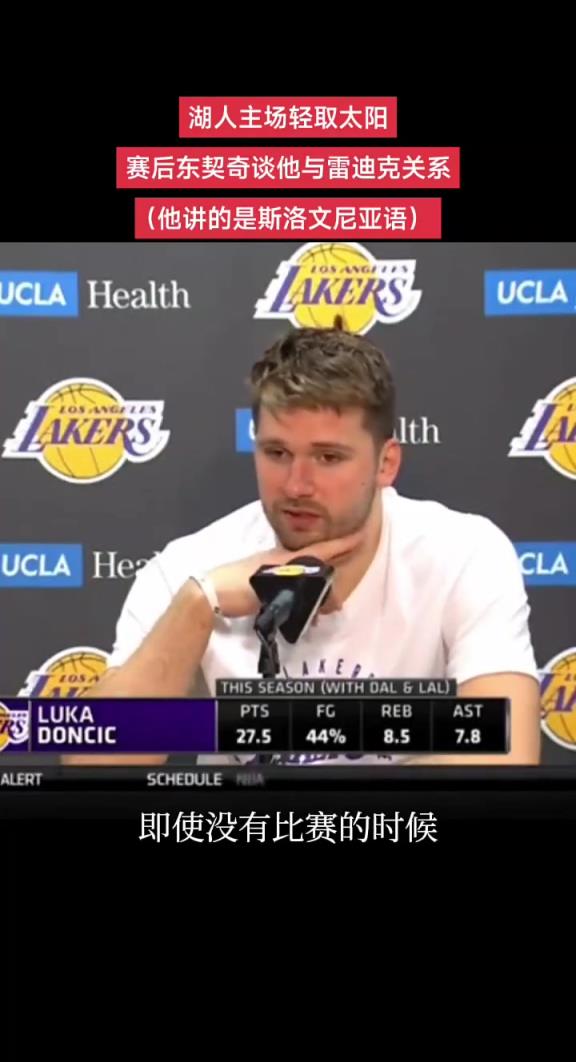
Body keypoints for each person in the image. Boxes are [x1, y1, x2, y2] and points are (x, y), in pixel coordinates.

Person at [66, 319, 541, 766]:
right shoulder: (191, 567)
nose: (296, 485)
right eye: (276, 452)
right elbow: (94, 763)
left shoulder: (463, 554)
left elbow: (506, 758)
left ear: (386, 464)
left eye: (328, 457)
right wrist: (199, 604)